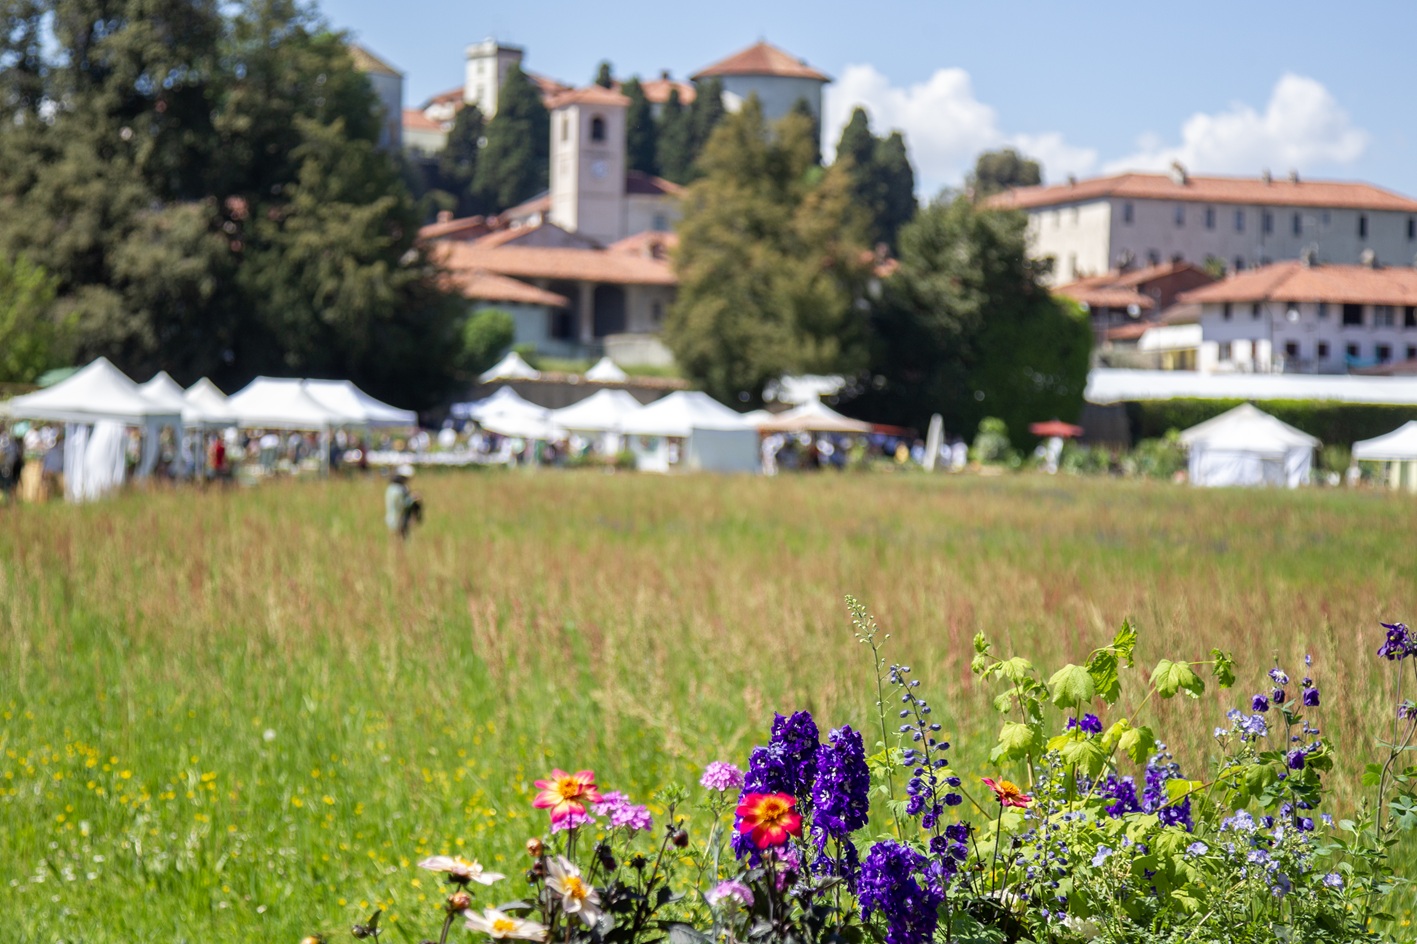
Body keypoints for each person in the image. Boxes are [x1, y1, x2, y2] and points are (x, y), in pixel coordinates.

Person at [385, 464, 422, 540]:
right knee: (401, 539)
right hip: (399, 520)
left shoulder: (391, 488)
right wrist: (413, 498)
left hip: (392, 519)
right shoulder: (399, 490)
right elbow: (401, 505)